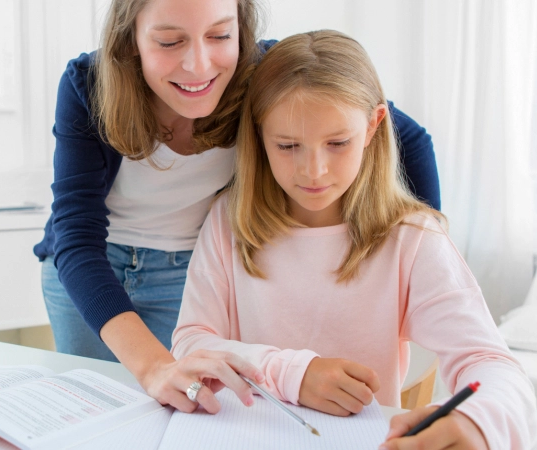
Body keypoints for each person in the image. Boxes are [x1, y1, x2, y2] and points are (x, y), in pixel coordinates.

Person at [33, 0, 440, 414]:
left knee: (185, 410)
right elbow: (76, 237)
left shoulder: (262, 73)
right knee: (92, 410)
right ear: (131, 39)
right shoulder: (88, 85)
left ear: (242, 30)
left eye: (220, 35)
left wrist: (416, 257)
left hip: (187, 271)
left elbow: (407, 139)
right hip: (89, 272)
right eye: (170, 41)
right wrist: (152, 366)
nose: (198, 64)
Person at [171, 30, 537, 448]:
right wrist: (293, 374)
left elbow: (491, 364)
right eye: (288, 145)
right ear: (258, 135)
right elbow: (191, 343)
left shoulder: (412, 238)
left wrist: (480, 424)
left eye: (338, 143)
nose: (314, 171)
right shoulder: (227, 220)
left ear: (372, 126)